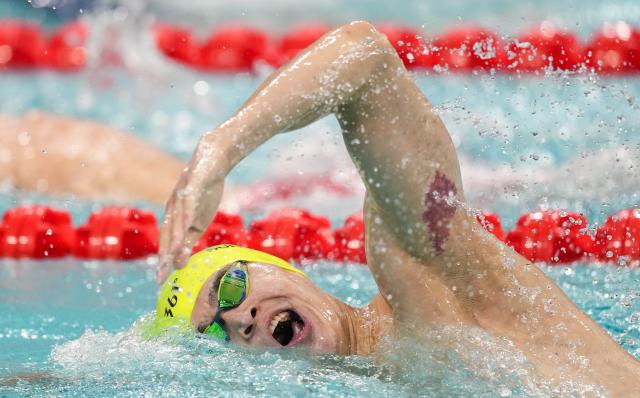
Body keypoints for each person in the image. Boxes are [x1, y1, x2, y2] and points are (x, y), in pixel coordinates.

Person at [151, 21, 639, 396]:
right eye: (215, 334)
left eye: (230, 286)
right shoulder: (380, 377)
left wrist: (220, 149)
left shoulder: (417, 273)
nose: (242, 319)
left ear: (288, 270)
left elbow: (363, 59)